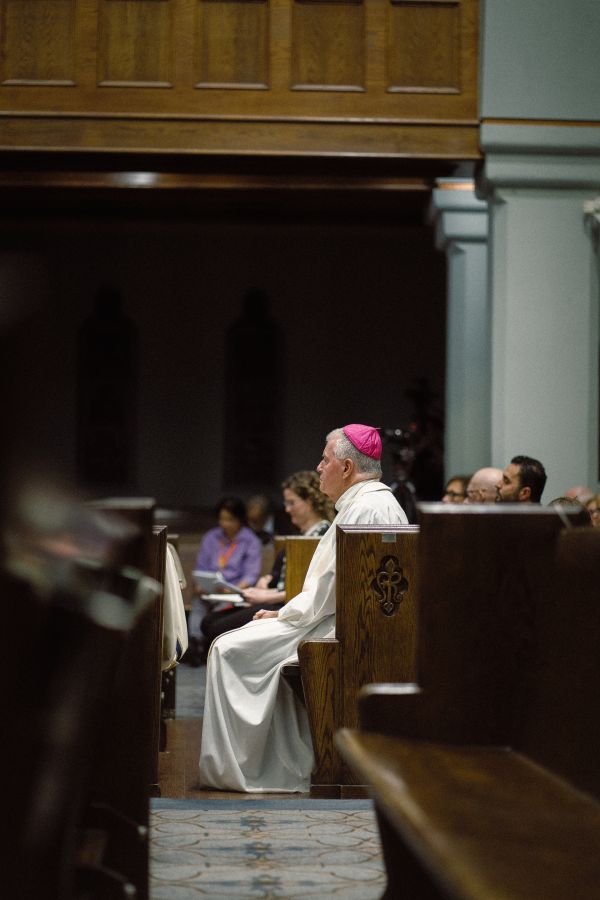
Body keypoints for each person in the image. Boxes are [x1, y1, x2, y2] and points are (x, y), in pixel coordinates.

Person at [198, 424, 408, 793]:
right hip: (342, 619)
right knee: (235, 641)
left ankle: (254, 768)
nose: (318, 466)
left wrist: (283, 613)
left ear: (346, 467)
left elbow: (330, 590)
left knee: (228, 650)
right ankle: (288, 757)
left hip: (340, 627)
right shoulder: (371, 503)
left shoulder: (366, 508)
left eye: (325, 460)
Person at [200, 470, 334, 644]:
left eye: (292, 502)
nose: (287, 509)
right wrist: (266, 586)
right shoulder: (307, 534)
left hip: (288, 606)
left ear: (309, 501)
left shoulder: (321, 535)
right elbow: (287, 579)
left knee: (215, 627)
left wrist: (266, 595)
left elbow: (308, 590)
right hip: (280, 599)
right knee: (209, 621)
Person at [194, 495, 262, 589]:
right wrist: (200, 586)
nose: (225, 524)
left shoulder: (251, 541)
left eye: (230, 520)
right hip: (209, 590)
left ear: (240, 520)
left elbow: (251, 575)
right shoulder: (211, 537)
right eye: (222, 519)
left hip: (235, 591)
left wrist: (233, 590)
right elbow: (201, 569)